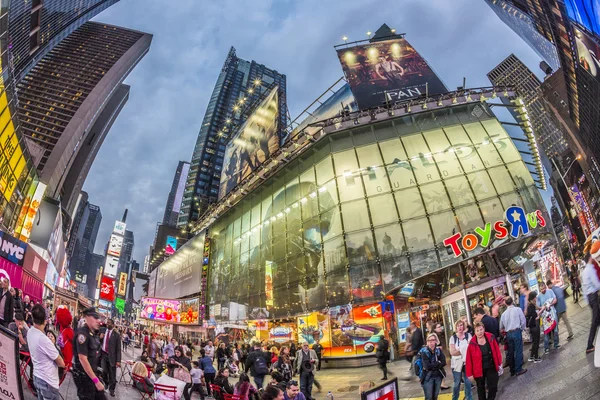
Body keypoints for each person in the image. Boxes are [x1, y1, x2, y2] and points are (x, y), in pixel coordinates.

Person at [27, 304, 65, 400]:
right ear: (45, 321)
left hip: (37, 376)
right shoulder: (44, 340)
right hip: (47, 381)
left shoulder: (30, 332)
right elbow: (61, 363)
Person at [72, 307, 105, 399]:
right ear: (87, 317)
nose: (98, 320)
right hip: (84, 378)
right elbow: (83, 359)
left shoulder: (91, 333)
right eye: (95, 318)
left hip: (91, 376)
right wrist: (96, 381)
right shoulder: (83, 334)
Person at [465, 322, 502, 400]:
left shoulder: (491, 337)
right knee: (481, 389)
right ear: (474, 332)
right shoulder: (472, 343)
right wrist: (469, 374)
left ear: (484, 329)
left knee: (493, 387)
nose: (479, 332)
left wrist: (500, 364)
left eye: (481, 329)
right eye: (477, 330)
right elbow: (468, 360)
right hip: (478, 369)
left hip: (491, 366)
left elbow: (497, 351)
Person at [499, 296, 527, 376]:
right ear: (512, 301)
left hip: (508, 333)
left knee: (511, 351)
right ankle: (518, 369)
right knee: (518, 350)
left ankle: (512, 370)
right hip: (516, 331)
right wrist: (522, 328)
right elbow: (523, 320)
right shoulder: (518, 310)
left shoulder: (503, 314)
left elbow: (501, 327)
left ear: (506, 303)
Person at [449, 320, 472, 400]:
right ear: (456, 327)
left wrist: (459, 350)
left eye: (461, 325)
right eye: (458, 326)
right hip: (456, 363)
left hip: (467, 362)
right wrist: (464, 350)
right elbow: (452, 352)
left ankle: (469, 398)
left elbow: (471, 349)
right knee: (457, 383)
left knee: (468, 382)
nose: (460, 327)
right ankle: (454, 398)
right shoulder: (453, 338)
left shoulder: (468, 335)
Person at [419, 333, 446, 400]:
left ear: (436, 341)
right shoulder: (424, 352)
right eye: (429, 341)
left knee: (435, 397)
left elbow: (443, 362)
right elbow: (427, 366)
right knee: (429, 397)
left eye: (433, 340)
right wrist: (437, 363)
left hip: (438, 376)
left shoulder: (438, 351)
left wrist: (433, 366)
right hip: (428, 377)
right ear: (427, 342)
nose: (431, 342)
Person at [536, 282, 560, 354]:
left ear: (545, 287)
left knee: (555, 329)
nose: (543, 290)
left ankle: (556, 344)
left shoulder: (550, 291)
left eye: (543, 288)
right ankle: (546, 347)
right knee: (546, 331)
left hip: (552, 312)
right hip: (545, 316)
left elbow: (555, 299)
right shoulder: (539, 297)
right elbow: (538, 307)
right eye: (541, 289)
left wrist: (550, 304)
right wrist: (543, 307)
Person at [583, 252, 600, 353]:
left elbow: (584, 288)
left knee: (597, 319)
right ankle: (589, 345)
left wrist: (587, 299)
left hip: (590, 297)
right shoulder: (590, 270)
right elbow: (597, 284)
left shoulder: (584, 271)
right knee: (594, 321)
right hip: (594, 296)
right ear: (590, 258)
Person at [100, 318, 121, 397]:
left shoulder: (116, 335)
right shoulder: (103, 331)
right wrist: (100, 337)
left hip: (112, 357)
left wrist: (118, 360)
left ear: (113, 325)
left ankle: (112, 389)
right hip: (104, 354)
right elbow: (98, 340)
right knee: (103, 371)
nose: (107, 324)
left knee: (112, 374)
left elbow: (118, 349)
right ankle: (106, 382)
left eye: (109, 323)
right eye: (107, 323)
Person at [526, 291, 542, 363]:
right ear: (532, 298)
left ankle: (533, 357)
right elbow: (534, 316)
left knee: (535, 342)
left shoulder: (531, 305)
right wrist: (540, 312)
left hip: (532, 326)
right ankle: (535, 357)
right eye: (535, 297)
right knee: (536, 342)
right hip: (534, 326)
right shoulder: (531, 306)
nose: (536, 298)